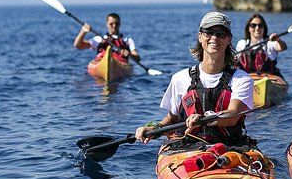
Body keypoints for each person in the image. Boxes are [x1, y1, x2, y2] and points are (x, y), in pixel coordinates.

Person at [135, 12, 254, 147]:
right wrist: (152, 128)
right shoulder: (180, 79)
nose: (214, 37)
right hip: (187, 148)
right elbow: (171, 120)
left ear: (229, 39)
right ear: (200, 36)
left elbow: (232, 116)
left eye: (221, 34)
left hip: (229, 148)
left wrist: (204, 118)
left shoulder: (242, 79)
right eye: (208, 32)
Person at [73, 12, 140, 63]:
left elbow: (138, 59)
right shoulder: (99, 39)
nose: (114, 26)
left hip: (120, 64)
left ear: (120, 24)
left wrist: (129, 54)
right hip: (101, 62)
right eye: (111, 24)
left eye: (116, 23)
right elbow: (78, 45)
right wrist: (83, 32)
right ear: (107, 24)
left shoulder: (128, 41)